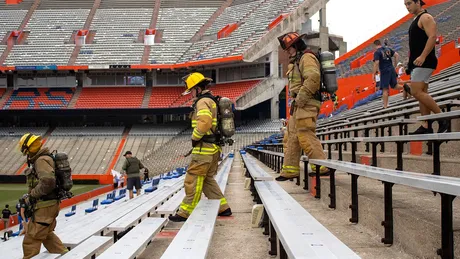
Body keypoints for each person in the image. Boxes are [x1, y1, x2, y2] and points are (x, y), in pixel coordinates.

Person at [169, 72, 232, 222]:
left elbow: (204, 122)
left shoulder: (202, 101)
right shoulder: (211, 100)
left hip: (204, 148)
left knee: (193, 179)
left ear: (197, 88)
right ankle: (223, 208)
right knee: (207, 180)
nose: (190, 93)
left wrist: (194, 137)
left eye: (191, 90)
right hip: (213, 148)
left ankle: (185, 212)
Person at [275, 32, 329, 181]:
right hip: (299, 104)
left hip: (307, 102)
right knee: (291, 136)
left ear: (295, 46)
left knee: (305, 134)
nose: (287, 52)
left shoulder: (307, 58)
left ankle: (321, 167)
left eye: (288, 49)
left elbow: (313, 78)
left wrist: (300, 98)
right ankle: (290, 170)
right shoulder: (298, 60)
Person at [18, 133, 67, 259]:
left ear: (28, 148)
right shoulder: (45, 158)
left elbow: (48, 182)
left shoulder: (41, 160)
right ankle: (67, 255)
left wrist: (32, 195)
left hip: (45, 206)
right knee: (46, 234)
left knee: (31, 238)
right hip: (50, 205)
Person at [405, 0, 449, 134]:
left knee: (416, 91)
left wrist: (423, 56)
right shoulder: (416, 19)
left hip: (425, 61)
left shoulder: (426, 17)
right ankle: (426, 125)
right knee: (421, 93)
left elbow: (432, 37)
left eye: (409, 3)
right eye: (405, 5)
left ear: (418, 2)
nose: (407, 7)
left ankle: (443, 118)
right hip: (417, 62)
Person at [373, 39, 402, 108]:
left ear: (375, 45)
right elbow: (396, 55)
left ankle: (385, 106)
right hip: (391, 69)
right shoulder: (387, 49)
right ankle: (406, 87)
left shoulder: (377, 52)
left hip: (384, 71)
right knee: (395, 86)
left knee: (385, 89)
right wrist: (395, 66)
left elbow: (376, 63)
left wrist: (374, 73)